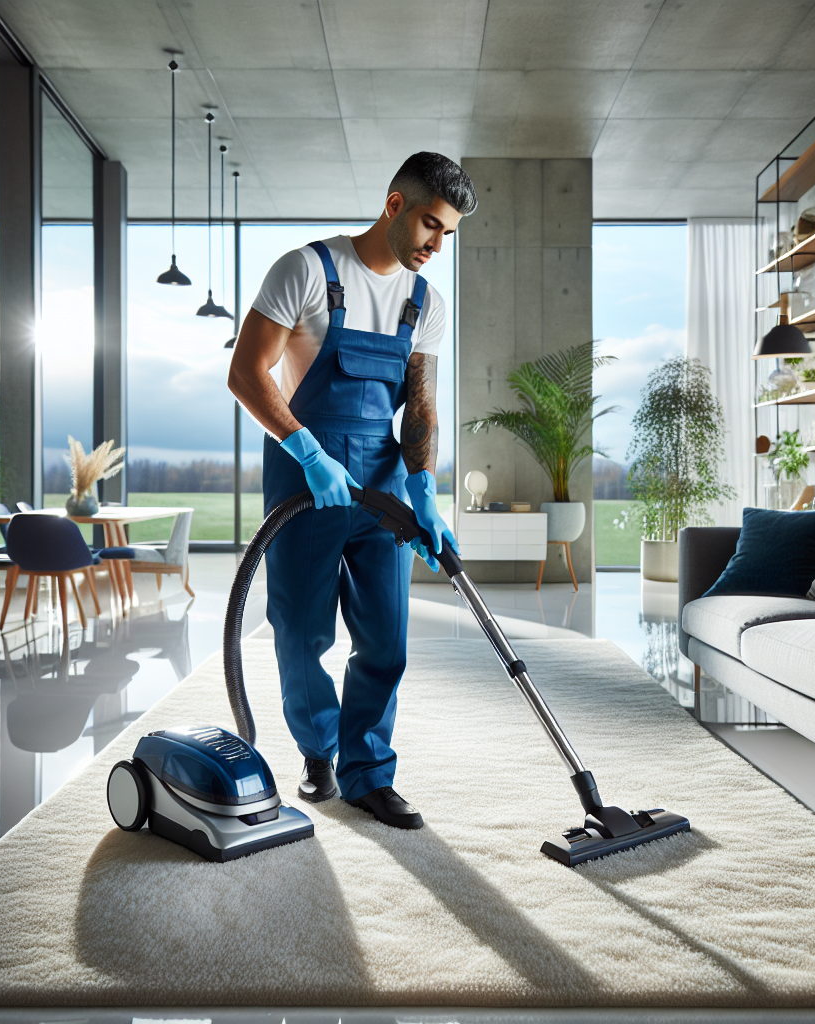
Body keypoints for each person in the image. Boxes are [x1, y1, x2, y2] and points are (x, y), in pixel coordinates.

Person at [228, 153, 477, 829]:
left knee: (386, 641)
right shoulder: (308, 269)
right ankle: (319, 753)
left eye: (448, 234)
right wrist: (308, 451)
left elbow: (420, 408)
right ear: (395, 205)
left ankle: (368, 773)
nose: (436, 244)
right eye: (430, 224)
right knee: (301, 634)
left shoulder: (427, 302)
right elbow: (248, 373)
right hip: (304, 475)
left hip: (383, 482)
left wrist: (425, 489)